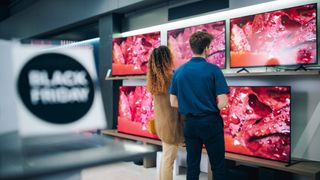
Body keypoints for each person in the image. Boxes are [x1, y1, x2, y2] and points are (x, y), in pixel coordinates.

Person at [169, 31, 229, 180]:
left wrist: (191, 106)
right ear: (207, 48)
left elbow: (173, 102)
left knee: (193, 166)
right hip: (211, 123)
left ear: (191, 48)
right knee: (218, 167)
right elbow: (223, 101)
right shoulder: (214, 70)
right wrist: (209, 109)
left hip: (190, 124)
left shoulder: (179, 72)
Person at [146, 45, 184, 180]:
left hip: (161, 124)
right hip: (171, 125)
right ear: (167, 58)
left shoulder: (156, 80)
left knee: (166, 159)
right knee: (169, 161)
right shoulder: (171, 78)